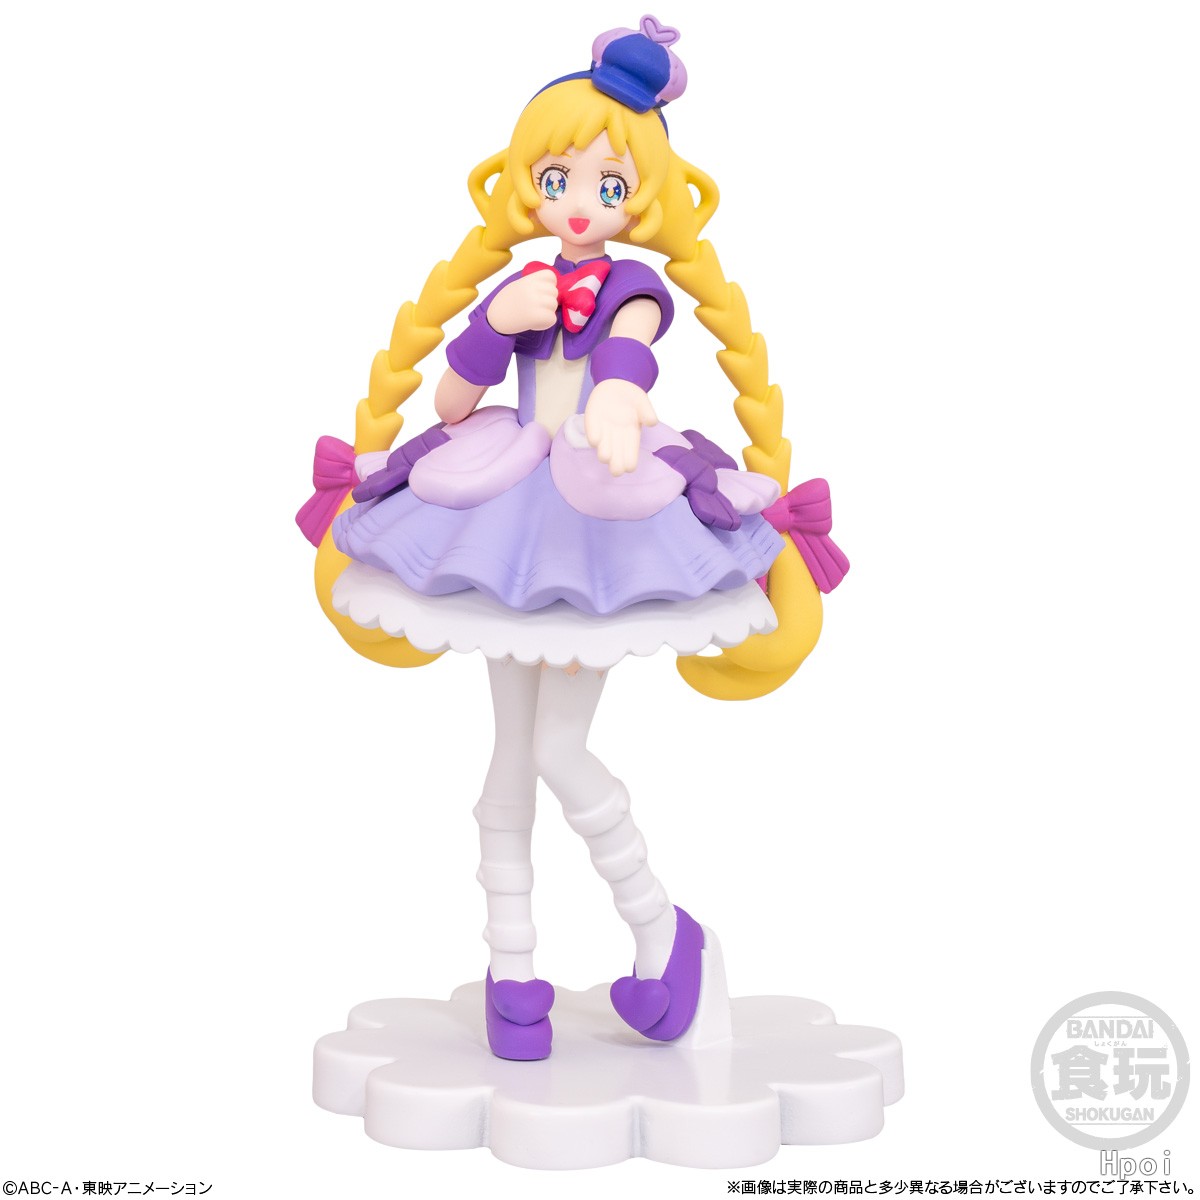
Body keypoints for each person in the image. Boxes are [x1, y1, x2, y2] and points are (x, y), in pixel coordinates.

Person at [296, 15, 847, 1061]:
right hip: (503, 495)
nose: (582, 202)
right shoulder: (518, 290)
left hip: (596, 505)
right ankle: (515, 978)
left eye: (608, 184)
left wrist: (620, 406)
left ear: (641, 197)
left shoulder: (631, 286)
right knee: (507, 762)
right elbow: (454, 403)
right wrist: (495, 326)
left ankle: (663, 933)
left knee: (554, 747)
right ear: (528, 186)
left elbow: (631, 357)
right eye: (559, 179)